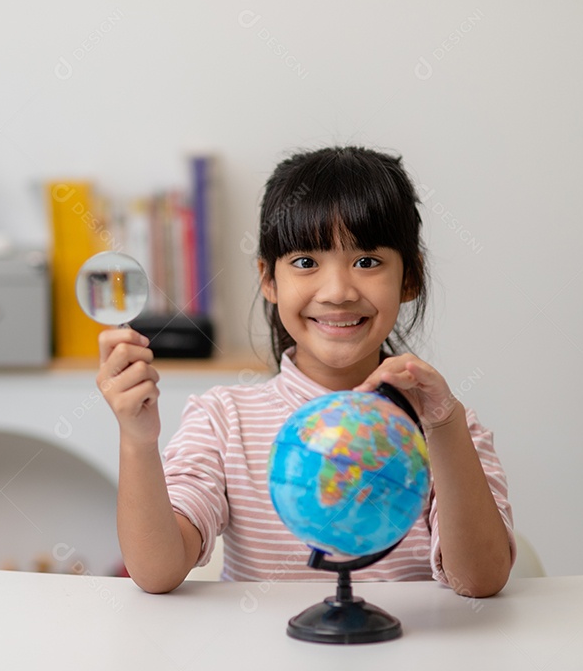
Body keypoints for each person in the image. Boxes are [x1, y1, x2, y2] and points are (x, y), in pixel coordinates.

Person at [97, 146, 515, 597]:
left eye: (367, 261)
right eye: (305, 262)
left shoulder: (447, 425)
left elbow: (481, 580)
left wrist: (445, 427)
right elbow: (156, 571)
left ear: (409, 278)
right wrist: (138, 442)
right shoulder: (223, 419)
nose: (337, 292)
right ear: (269, 279)